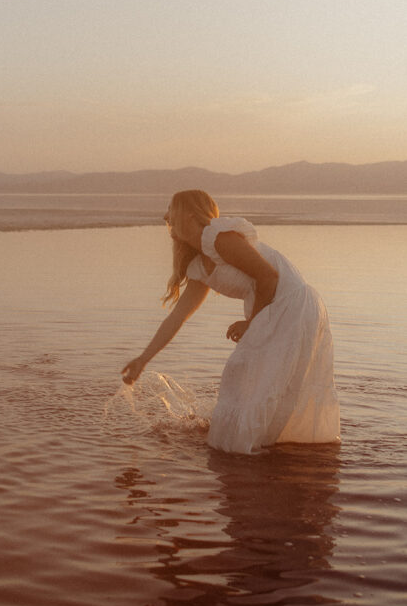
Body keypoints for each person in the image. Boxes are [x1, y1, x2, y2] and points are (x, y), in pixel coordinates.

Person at [121, 189, 340, 454]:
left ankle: (253, 455)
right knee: (256, 383)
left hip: (292, 305)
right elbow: (177, 317)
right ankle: (266, 452)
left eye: (171, 208)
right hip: (274, 309)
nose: (164, 215)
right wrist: (143, 359)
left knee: (248, 376)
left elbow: (268, 277)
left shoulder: (218, 237)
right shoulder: (199, 265)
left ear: (190, 214)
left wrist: (251, 323)